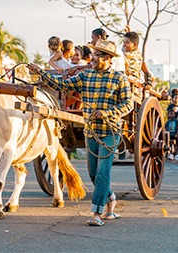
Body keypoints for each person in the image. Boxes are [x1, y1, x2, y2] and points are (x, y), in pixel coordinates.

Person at [27, 39, 133, 226]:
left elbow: (128, 105)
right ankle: (110, 198)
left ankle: (96, 214)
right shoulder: (86, 76)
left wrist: (107, 113)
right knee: (93, 174)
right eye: (93, 55)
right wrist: (40, 72)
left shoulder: (119, 79)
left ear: (108, 58)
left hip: (110, 131)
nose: (93, 58)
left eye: (98, 55)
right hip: (91, 131)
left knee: (102, 172)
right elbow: (63, 86)